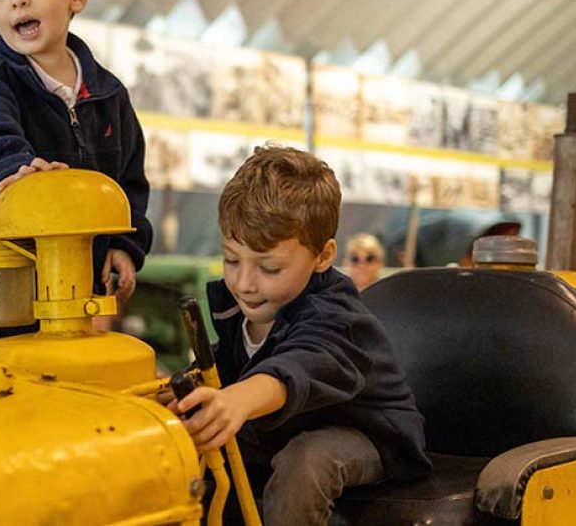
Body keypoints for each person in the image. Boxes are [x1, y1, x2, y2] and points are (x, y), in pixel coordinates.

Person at [169, 146, 430, 525]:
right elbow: (225, 364)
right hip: (283, 429)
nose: (244, 283)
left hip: (370, 434)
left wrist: (237, 400)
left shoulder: (336, 315)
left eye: (270, 267)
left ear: (322, 257)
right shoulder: (236, 307)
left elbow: (301, 365)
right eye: (231, 259)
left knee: (306, 461)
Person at [0, 0, 152, 339]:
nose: (18, 0)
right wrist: (14, 171)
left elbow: (128, 183)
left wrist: (123, 245)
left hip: (77, 299)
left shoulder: (109, 97)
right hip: (5, 302)